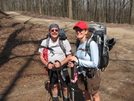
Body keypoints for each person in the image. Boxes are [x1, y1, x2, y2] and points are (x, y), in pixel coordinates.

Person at [68, 21, 101, 101]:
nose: (78, 32)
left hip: (92, 74)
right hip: (81, 73)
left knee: (95, 95)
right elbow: (78, 57)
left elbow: (94, 63)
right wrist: (73, 62)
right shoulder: (78, 43)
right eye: (77, 30)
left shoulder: (91, 44)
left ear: (86, 31)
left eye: (81, 30)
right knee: (85, 93)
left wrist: (78, 61)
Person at [38, 24, 72, 101]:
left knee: (65, 86)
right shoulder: (44, 42)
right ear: (49, 31)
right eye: (52, 30)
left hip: (63, 67)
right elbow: (41, 56)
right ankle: (55, 98)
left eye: (56, 30)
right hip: (51, 68)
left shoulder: (64, 41)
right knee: (53, 85)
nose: (54, 32)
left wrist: (61, 63)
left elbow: (69, 55)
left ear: (59, 31)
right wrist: (47, 64)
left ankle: (66, 99)